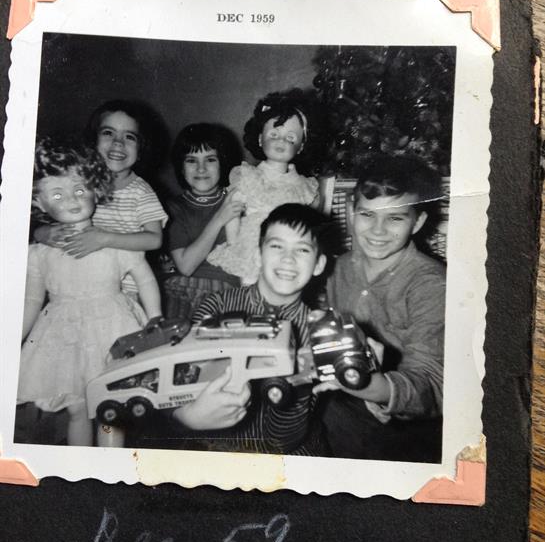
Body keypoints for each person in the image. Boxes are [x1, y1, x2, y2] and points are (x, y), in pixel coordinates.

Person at [17, 138, 162, 446]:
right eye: (58, 194)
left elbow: (146, 280)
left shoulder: (114, 242)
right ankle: (78, 467)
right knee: (77, 409)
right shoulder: (40, 253)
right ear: (39, 203)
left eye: (80, 190)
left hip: (112, 331)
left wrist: (155, 319)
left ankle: (108, 467)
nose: (72, 199)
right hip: (63, 338)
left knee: (111, 407)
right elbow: (32, 299)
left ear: (95, 190)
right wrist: (16, 336)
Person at [159, 203, 329, 455]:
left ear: (318, 264)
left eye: (302, 249)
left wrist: (300, 383)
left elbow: (284, 440)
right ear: (258, 255)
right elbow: (177, 381)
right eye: (276, 246)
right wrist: (184, 417)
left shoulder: (320, 333)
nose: (288, 259)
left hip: (288, 456)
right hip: (217, 450)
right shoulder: (216, 307)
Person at [319, 155, 446, 462]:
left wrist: (365, 386)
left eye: (395, 218)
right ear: (351, 211)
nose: (378, 231)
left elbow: (431, 385)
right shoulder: (337, 268)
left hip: (403, 428)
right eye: (367, 214)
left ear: (417, 222)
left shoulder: (432, 284)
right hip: (338, 401)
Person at [35, 100, 168, 300]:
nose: (118, 142)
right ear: (92, 141)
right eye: (108, 133)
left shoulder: (140, 192)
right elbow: (49, 215)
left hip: (123, 292)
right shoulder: (76, 184)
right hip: (73, 287)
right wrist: (41, 233)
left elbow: (154, 239)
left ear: (141, 149)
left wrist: (105, 239)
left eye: (129, 136)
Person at [207, 89, 322, 285]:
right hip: (252, 248)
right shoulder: (248, 176)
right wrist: (235, 245)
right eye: (274, 134)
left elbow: (310, 223)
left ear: (301, 146)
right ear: (260, 139)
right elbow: (233, 212)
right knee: (252, 292)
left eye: (291, 138)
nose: (281, 141)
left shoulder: (304, 187)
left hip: (288, 251)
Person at [164, 123, 243, 317]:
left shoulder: (239, 197)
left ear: (222, 162)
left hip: (232, 295)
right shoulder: (174, 208)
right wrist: (219, 218)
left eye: (210, 159)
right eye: (191, 160)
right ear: (181, 167)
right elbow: (186, 266)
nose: (201, 168)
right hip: (187, 294)